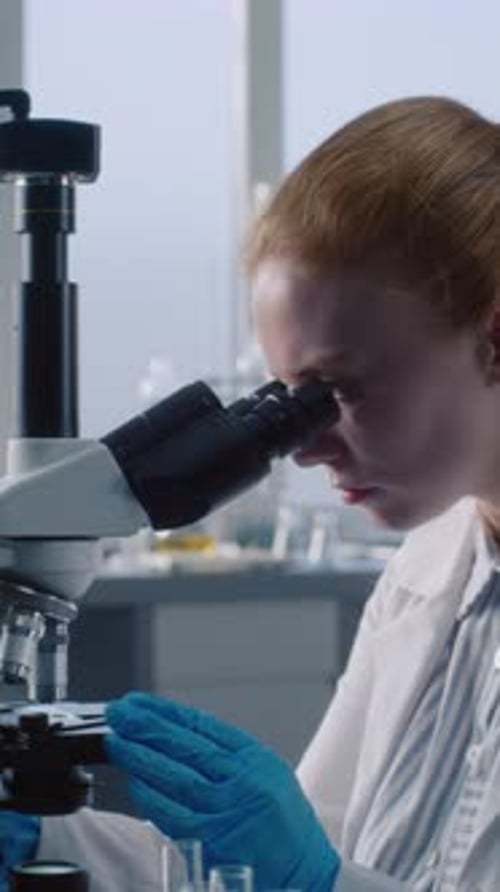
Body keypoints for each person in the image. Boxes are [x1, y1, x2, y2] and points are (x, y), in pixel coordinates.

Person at [3, 95, 499, 891]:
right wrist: (60, 842)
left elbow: (317, 879)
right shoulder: (427, 577)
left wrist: (313, 877)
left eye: (337, 390)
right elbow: (291, 868)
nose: (304, 448)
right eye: (286, 402)